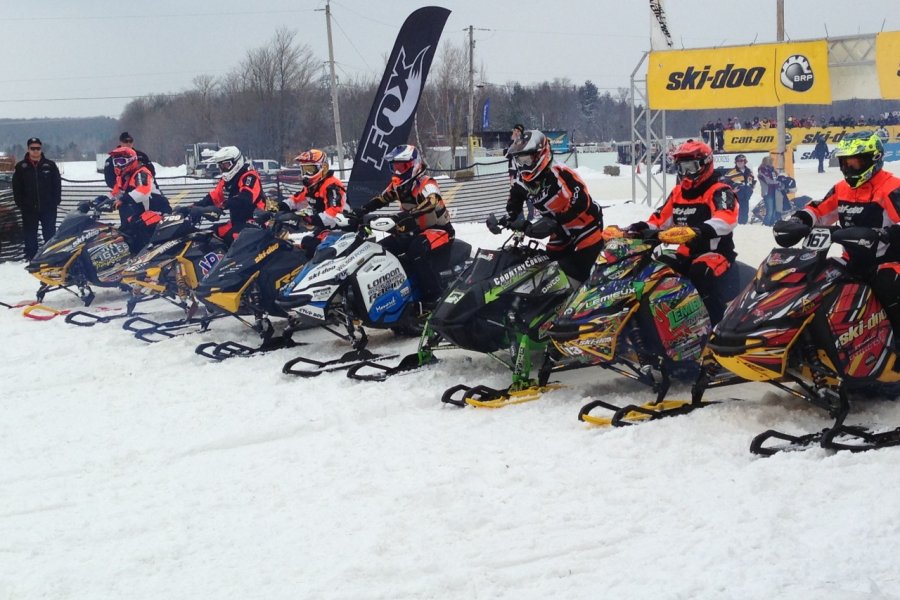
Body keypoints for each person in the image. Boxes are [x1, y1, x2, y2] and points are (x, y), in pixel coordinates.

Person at [776, 132, 900, 334]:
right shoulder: (842, 188)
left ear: (873, 159)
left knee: (888, 284)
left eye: (856, 162)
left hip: (888, 261)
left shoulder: (892, 187)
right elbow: (819, 209)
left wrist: (886, 234)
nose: (849, 167)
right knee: (811, 278)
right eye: (845, 162)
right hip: (851, 260)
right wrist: (799, 220)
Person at [625, 140, 739, 324]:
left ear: (705, 164)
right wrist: (640, 228)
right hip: (685, 252)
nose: (686, 174)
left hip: (715, 254)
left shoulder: (720, 190)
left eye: (691, 167)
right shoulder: (678, 192)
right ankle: (659, 324)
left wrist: (697, 230)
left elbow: (727, 218)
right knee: (654, 270)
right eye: (681, 168)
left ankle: (716, 326)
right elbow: (661, 220)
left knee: (700, 272)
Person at [501, 129, 604, 283]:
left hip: (585, 225)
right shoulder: (522, 181)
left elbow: (581, 201)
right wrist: (508, 217)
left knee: (583, 273)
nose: (524, 165)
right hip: (559, 231)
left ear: (540, 154)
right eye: (520, 161)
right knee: (547, 270)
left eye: (527, 160)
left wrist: (554, 222)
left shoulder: (560, 173)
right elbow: (515, 199)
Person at [357, 144, 453, 307]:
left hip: (438, 230)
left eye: (402, 166)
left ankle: (435, 296)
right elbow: (382, 198)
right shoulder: (397, 185)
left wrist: (407, 215)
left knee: (416, 250)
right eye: (395, 166)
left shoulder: (426, 183)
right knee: (381, 249)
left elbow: (432, 201)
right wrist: (361, 210)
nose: (398, 170)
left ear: (414, 164)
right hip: (415, 230)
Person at [178, 146, 264, 245]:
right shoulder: (225, 181)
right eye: (220, 166)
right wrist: (191, 208)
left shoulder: (249, 176)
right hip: (236, 223)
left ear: (236, 162)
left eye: (226, 165)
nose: (223, 169)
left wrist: (222, 206)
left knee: (233, 238)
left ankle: (233, 260)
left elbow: (245, 198)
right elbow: (212, 198)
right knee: (207, 236)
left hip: (256, 222)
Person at [282, 148, 347, 259]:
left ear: (324, 168)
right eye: (304, 170)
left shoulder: (332, 187)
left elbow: (334, 213)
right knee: (304, 244)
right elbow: (296, 200)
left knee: (314, 248)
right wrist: (278, 207)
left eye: (310, 170)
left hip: (341, 229)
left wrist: (308, 219)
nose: (306, 175)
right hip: (324, 228)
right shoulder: (311, 187)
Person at [105, 146, 164, 252]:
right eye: (115, 162)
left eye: (121, 161)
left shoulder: (141, 173)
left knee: (140, 246)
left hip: (154, 216)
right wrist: (99, 201)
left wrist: (123, 199)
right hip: (137, 217)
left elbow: (143, 192)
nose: (118, 165)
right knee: (120, 236)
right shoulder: (123, 178)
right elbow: (115, 193)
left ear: (130, 160)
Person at [12, 137, 62, 260]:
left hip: (48, 207)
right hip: (29, 208)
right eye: (32, 148)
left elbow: (57, 184)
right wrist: (21, 204)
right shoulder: (21, 167)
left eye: (38, 148)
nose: (35, 151)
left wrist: (55, 201)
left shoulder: (49, 165)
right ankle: (31, 257)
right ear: (28, 149)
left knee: (49, 233)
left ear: (41, 149)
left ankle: (50, 257)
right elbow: (16, 187)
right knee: (30, 234)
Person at [505, 124, 533, 219]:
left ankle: (531, 215)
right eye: (515, 130)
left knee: (527, 191)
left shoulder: (523, 143)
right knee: (515, 193)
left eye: (518, 131)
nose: (516, 133)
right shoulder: (511, 143)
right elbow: (507, 154)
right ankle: (519, 216)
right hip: (513, 173)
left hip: (523, 171)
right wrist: (513, 141)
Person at [721, 154, 755, 225]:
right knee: (738, 209)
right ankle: (739, 224)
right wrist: (732, 189)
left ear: (745, 162)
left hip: (746, 194)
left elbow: (752, 181)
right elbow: (724, 183)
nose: (739, 162)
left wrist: (751, 189)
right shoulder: (731, 172)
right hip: (737, 194)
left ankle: (744, 223)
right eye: (738, 161)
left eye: (741, 160)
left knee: (745, 209)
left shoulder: (749, 171)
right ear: (735, 162)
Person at [757, 156, 778, 226]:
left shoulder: (772, 170)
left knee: (774, 210)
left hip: (775, 191)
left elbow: (776, 178)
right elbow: (768, 181)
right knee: (770, 211)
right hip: (767, 192)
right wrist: (778, 182)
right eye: (770, 161)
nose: (771, 162)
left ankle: (771, 224)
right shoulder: (762, 170)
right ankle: (766, 225)